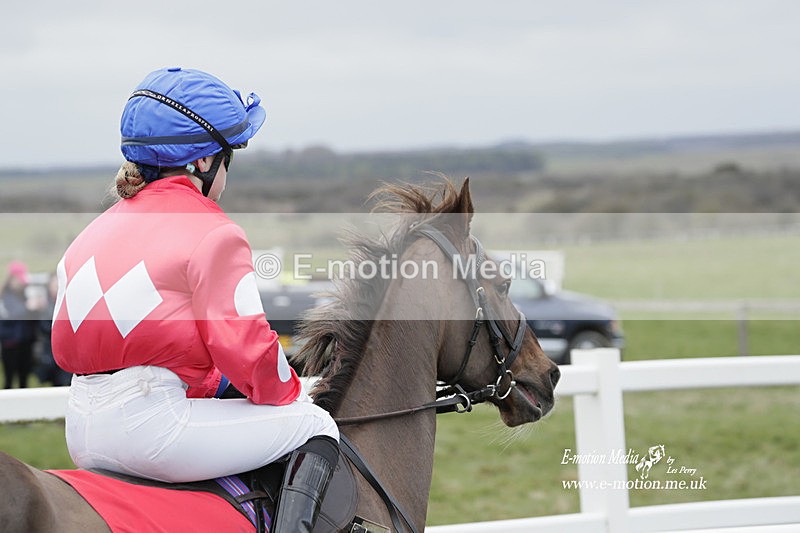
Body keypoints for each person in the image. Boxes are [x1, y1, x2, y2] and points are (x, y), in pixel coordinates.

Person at [51, 67, 339, 532]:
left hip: (82, 427)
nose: (226, 176)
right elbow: (248, 349)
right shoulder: (213, 231)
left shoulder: (93, 230)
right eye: (227, 161)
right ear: (203, 164)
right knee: (316, 425)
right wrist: (294, 392)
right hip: (152, 430)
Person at [0, 261, 38, 389]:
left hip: (25, 343)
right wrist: (28, 307)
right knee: (9, 379)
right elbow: (10, 314)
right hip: (10, 344)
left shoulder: (23, 295)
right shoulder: (4, 296)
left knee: (24, 378)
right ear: (12, 279)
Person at [33, 274, 72, 387]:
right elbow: (43, 328)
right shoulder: (44, 305)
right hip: (49, 353)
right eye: (54, 285)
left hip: (65, 353)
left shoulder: (68, 303)